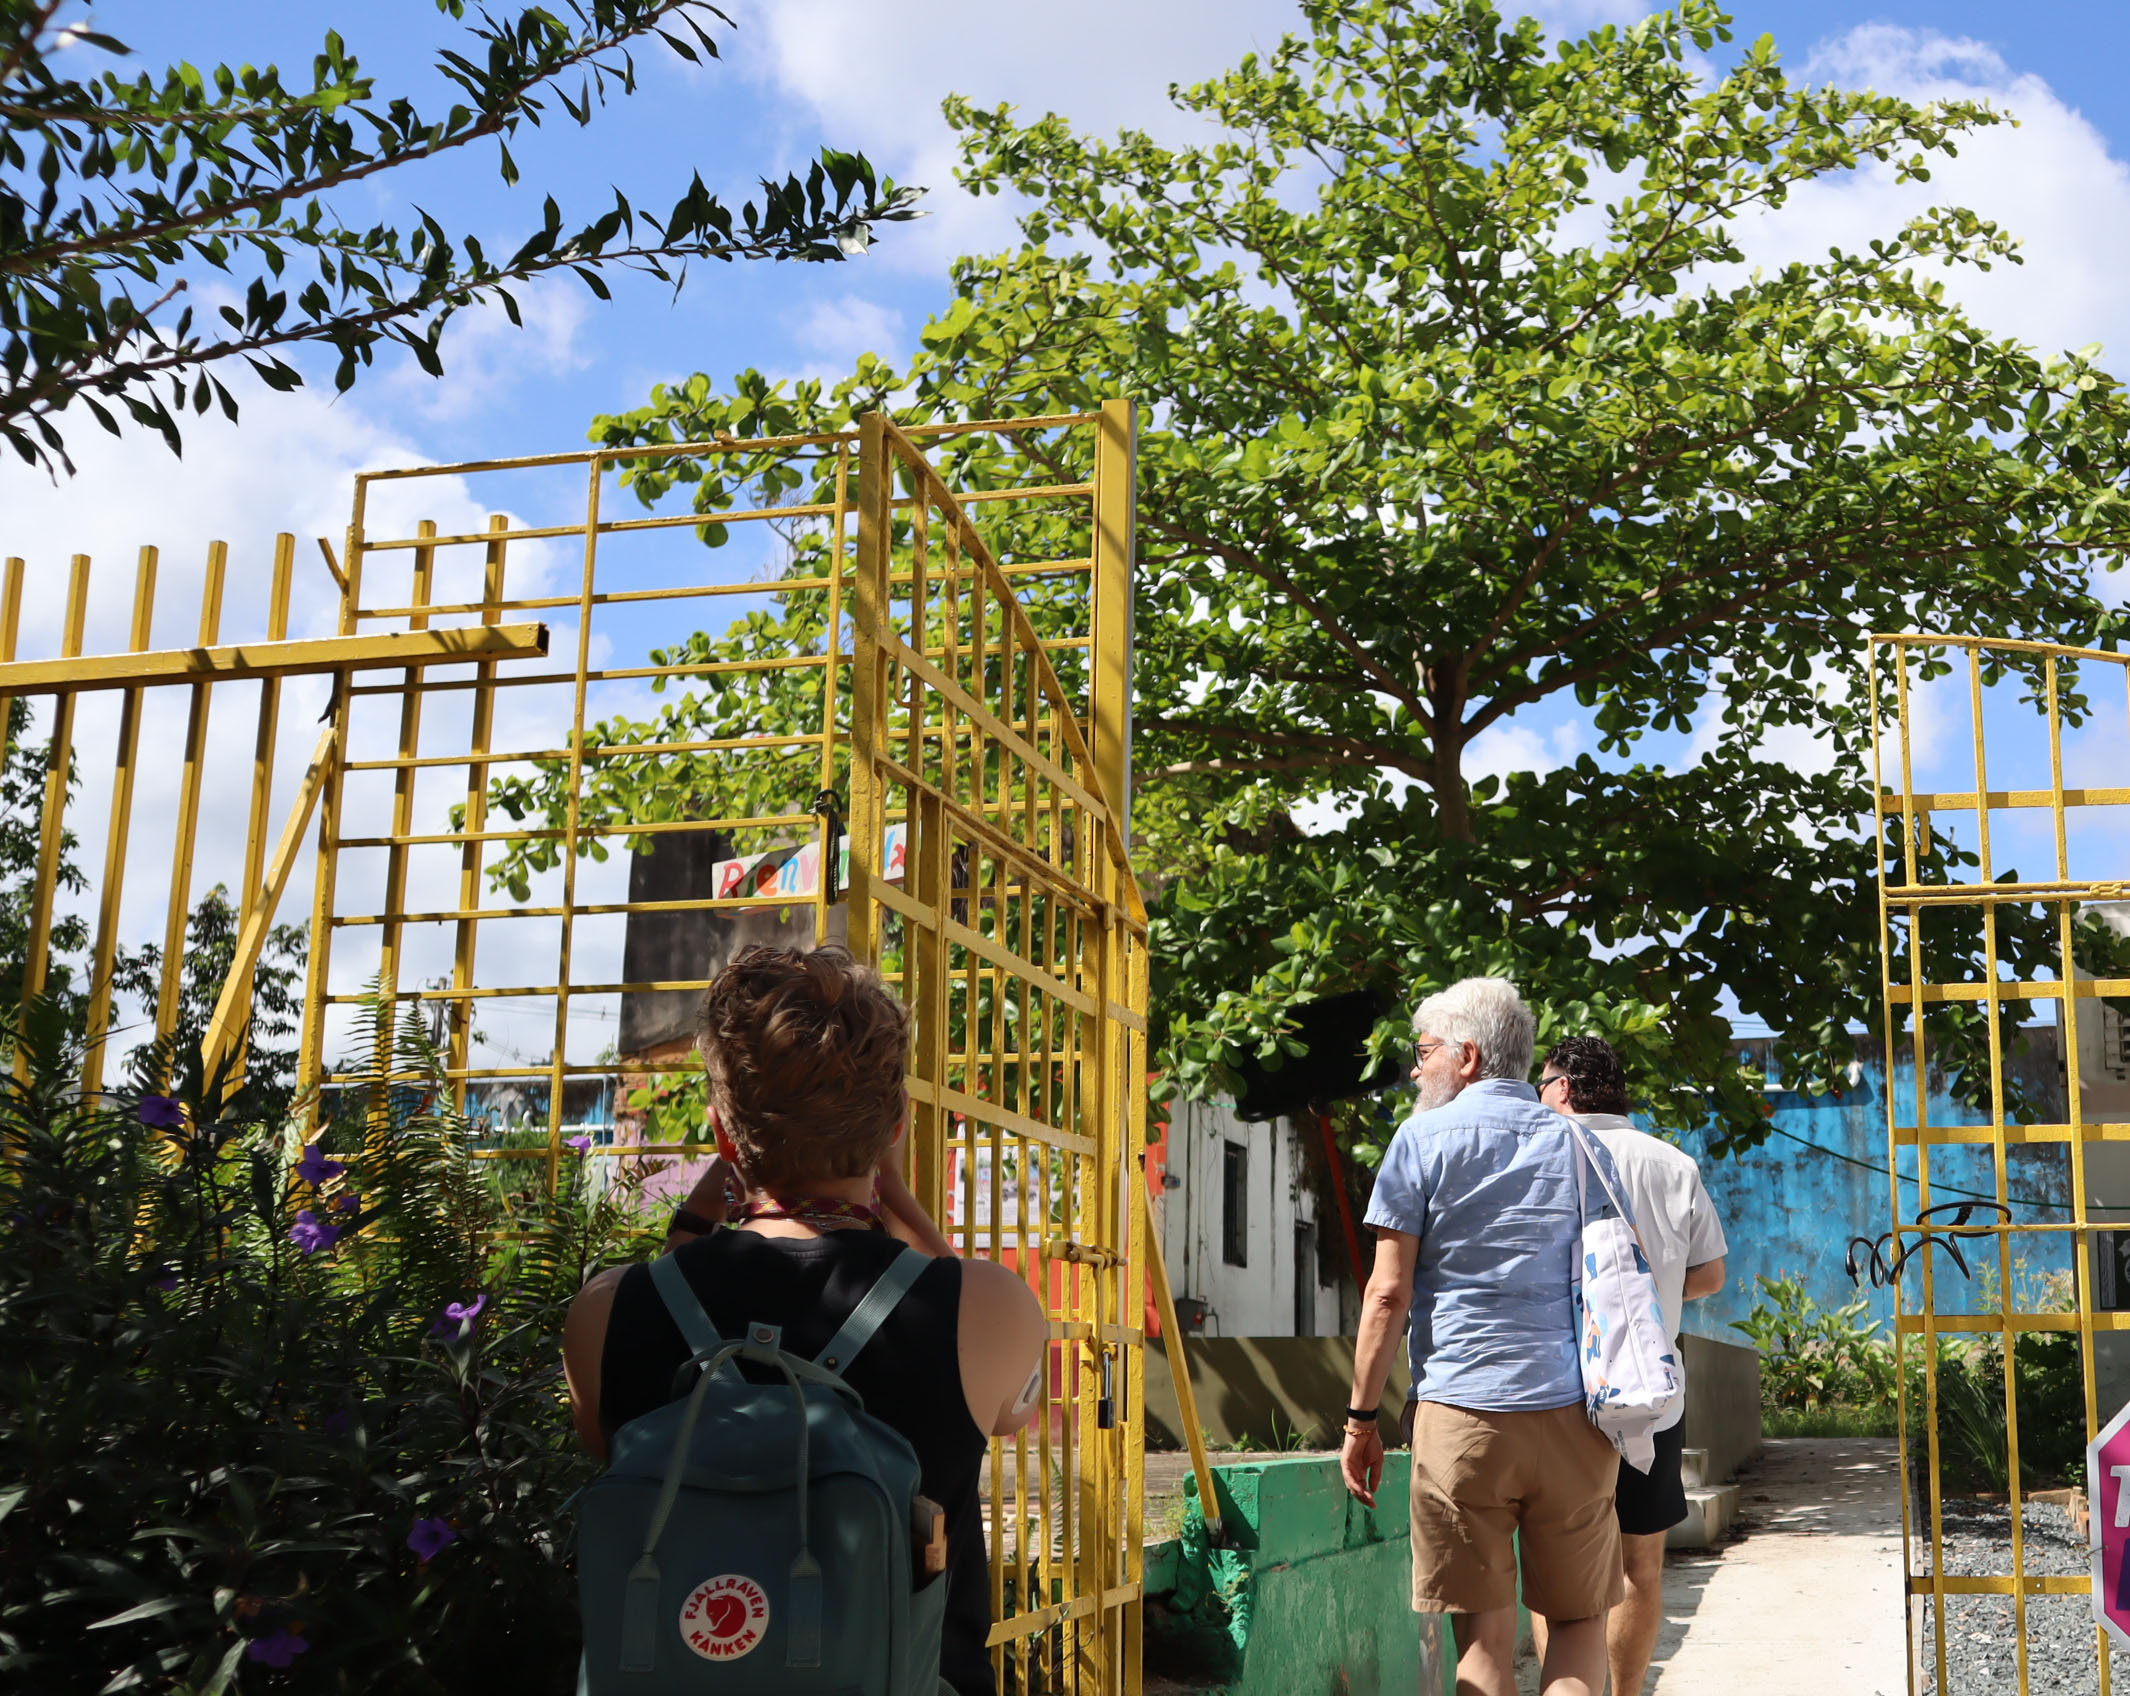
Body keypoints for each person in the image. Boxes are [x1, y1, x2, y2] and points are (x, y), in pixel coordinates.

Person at [563, 945, 1049, 1696]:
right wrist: (898, 1197)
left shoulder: (607, 1311)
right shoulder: (986, 1309)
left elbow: (615, 1438)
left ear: (725, 1136)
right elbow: (1015, 1413)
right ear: (897, 1126)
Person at [1339, 977, 1630, 1696]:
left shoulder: (1419, 1141)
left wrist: (1361, 1419)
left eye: (1425, 1051)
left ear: (1467, 1056)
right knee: (1576, 1626)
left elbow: (1388, 1293)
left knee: (1483, 1637)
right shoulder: (1580, 1145)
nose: (1415, 1068)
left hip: (1462, 1421)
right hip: (1573, 1417)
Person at [1534, 1035, 1728, 1696]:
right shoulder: (1672, 1164)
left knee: (1555, 1566)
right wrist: (1657, 1293)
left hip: (1556, 1396)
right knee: (1641, 1562)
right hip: (1649, 1393)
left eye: (1541, 1084)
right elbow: (1712, 1274)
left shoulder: (1533, 1158)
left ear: (1562, 1086)